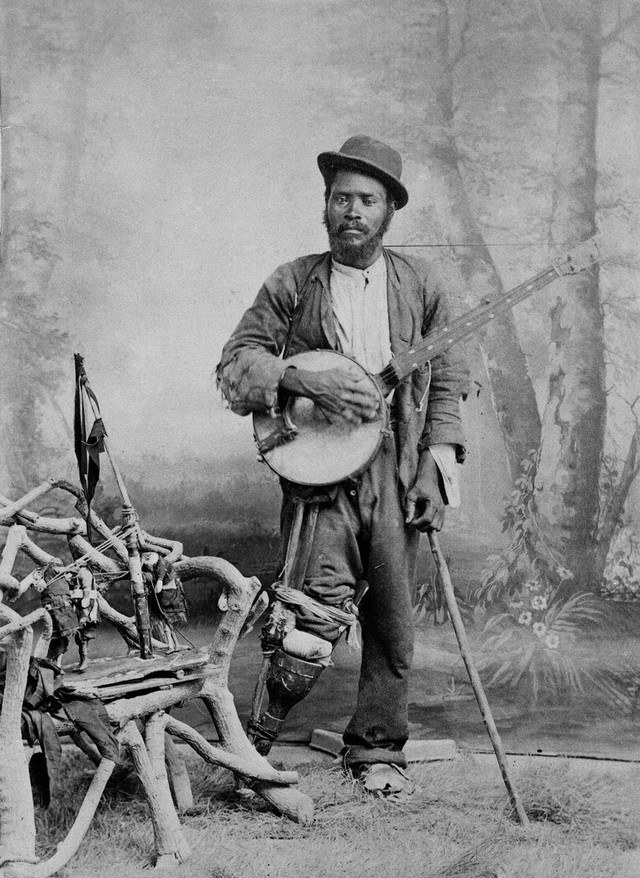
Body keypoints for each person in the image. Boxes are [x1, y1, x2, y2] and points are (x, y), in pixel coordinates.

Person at [217, 135, 467, 794]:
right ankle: (251, 751)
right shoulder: (292, 283)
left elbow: (448, 376)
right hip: (321, 472)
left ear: (389, 212)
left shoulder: (424, 284)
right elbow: (236, 362)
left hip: (398, 468)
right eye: (340, 199)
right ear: (325, 207)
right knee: (306, 628)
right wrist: (304, 384)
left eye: (367, 200)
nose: (351, 211)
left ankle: (377, 751)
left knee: (391, 621)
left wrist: (434, 466)